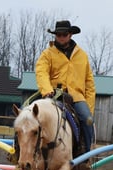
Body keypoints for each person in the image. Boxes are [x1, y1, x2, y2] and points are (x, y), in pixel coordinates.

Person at [35, 20, 96, 155]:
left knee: (87, 120)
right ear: (55, 36)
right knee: (24, 113)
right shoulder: (47, 54)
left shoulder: (82, 56)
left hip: (76, 97)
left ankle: (85, 155)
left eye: (64, 34)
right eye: (58, 34)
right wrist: (47, 91)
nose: (61, 37)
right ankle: (18, 152)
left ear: (70, 35)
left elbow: (89, 83)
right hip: (54, 93)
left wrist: (89, 108)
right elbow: (41, 72)